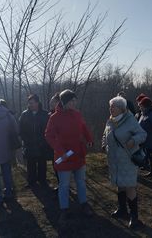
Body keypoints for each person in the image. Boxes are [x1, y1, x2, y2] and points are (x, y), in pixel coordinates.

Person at [45, 89, 94, 223]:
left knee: (81, 182)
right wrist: (61, 152)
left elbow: (83, 127)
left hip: (78, 153)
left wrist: (89, 139)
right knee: (64, 185)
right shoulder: (54, 117)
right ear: (64, 102)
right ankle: (64, 209)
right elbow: (49, 136)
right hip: (64, 156)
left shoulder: (77, 114)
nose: (74, 103)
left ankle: (84, 204)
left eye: (75, 100)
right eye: (72, 101)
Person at [102, 96, 147, 229]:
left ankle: (134, 217)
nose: (111, 108)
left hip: (127, 159)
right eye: (110, 106)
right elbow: (105, 134)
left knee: (129, 186)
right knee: (119, 184)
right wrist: (104, 144)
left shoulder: (130, 120)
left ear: (122, 108)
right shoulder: (110, 121)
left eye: (113, 106)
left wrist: (133, 140)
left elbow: (142, 134)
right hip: (114, 160)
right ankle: (122, 210)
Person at [19, 94, 50, 187]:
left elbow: (49, 129)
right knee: (30, 165)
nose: (30, 105)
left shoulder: (45, 114)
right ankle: (31, 182)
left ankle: (42, 181)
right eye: (29, 103)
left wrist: (44, 141)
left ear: (37, 103)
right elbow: (21, 129)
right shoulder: (24, 114)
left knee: (42, 164)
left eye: (32, 103)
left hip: (42, 144)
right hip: (29, 144)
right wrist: (26, 140)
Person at [48, 93, 60, 191]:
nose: (50, 103)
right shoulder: (50, 114)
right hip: (52, 146)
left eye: (53, 101)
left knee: (60, 165)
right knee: (55, 165)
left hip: (59, 146)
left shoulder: (58, 115)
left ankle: (63, 185)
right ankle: (61, 184)